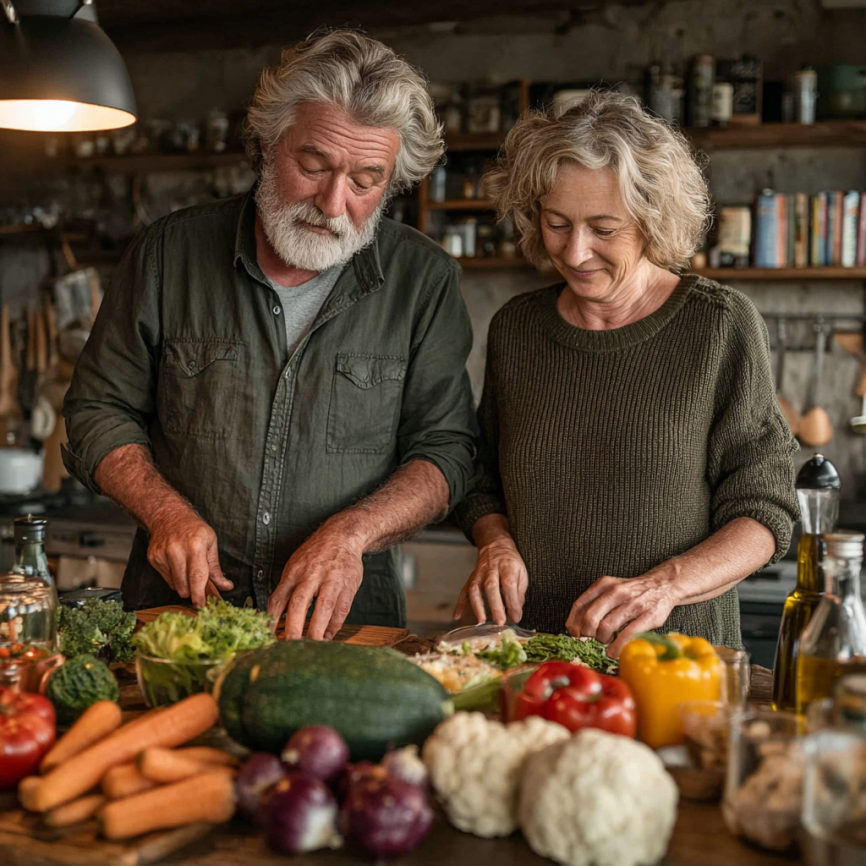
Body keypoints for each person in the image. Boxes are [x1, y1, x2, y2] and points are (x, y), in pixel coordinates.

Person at [62, 30, 476, 641]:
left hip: (345, 625)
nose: (332, 203)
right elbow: (98, 408)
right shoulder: (168, 254)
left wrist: (352, 534)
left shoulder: (424, 280)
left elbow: (446, 450)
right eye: (313, 165)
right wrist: (164, 512)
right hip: (176, 615)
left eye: (365, 180)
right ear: (265, 145)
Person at [453, 91, 798, 656]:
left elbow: (766, 509)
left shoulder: (718, 326)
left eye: (604, 228)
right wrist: (494, 542)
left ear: (651, 220)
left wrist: (664, 586)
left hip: (674, 660)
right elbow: (480, 477)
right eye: (557, 223)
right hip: (536, 655)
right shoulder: (517, 329)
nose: (575, 251)